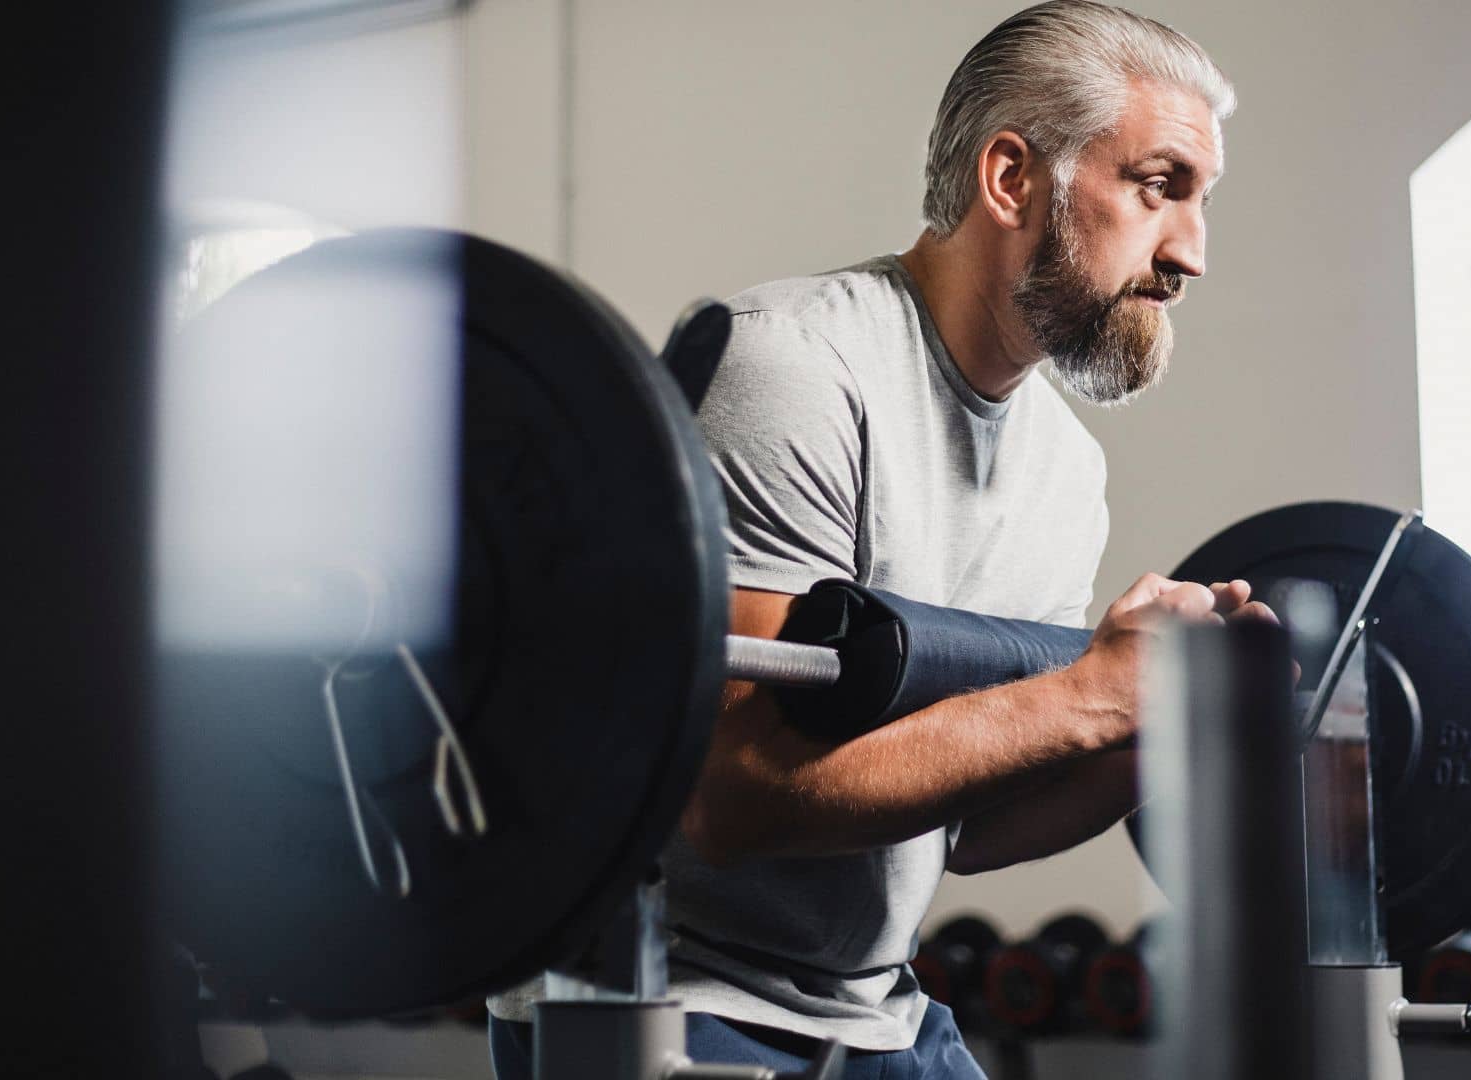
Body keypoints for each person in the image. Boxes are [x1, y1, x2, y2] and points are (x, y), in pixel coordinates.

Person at [488, 3, 1277, 1075]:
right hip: (666, 1009)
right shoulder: (795, 371)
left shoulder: (1066, 467)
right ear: (1013, 180)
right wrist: (1092, 693)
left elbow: (970, 826)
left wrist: (1156, 729)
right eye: (1158, 185)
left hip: (877, 1013)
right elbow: (725, 797)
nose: (1191, 253)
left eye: (1200, 201)